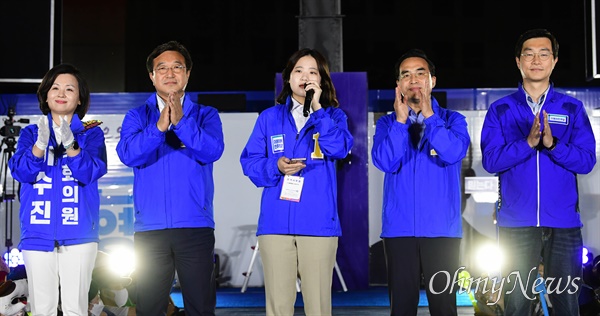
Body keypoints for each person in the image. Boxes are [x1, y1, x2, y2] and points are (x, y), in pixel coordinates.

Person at [480, 28, 597, 315]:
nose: (536, 60)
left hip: (564, 224)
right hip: (516, 224)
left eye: (544, 54)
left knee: (567, 304)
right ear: (518, 61)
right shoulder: (501, 109)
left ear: (554, 61)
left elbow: (586, 161)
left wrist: (552, 144)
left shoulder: (572, 108)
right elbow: (491, 161)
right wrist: (528, 143)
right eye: (529, 54)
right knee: (516, 305)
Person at [240, 48, 353, 316]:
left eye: (312, 72)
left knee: (318, 307)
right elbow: (249, 162)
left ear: (322, 80)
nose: (305, 76)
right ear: (288, 78)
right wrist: (275, 166)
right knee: (278, 307)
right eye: (298, 71)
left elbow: (338, 148)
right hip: (276, 224)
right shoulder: (269, 117)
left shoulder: (334, 117)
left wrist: (318, 109)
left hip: (318, 224)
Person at [116, 40, 224, 316]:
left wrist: (182, 123)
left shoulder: (205, 114)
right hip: (150, 229)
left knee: (201, 307)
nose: (170, 73)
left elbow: (212, 150)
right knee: (149, 307)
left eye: (177, 67)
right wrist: (159, 127)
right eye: (161, 68)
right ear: (152, 77)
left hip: (195, 227)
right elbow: (128, 154)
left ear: (187, 74)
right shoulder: (136, 116)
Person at [371, 49, 470, 316]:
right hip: (399, 230)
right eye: (406, 74)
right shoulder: (388, 124)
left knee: (444, 307)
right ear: (398, 85)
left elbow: (452, 153)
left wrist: (429, 115)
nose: (413, 79)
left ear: (433, 81)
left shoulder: (453, 121)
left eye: (420, 73)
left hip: (441, 230)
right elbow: (385, 162)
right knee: (402, 307)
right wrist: (401, 122)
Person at [8, 63, 107, 315]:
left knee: (76, 309)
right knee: (42, 309)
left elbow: (90, 172)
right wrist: (40, 145)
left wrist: (72, 145)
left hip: (79, 234)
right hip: (37, 234)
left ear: (79, 98)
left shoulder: (91, 134)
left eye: (69, 89)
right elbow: (21, 172)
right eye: (55, 87)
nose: (61, 93)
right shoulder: (31, 133)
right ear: (46, 94)